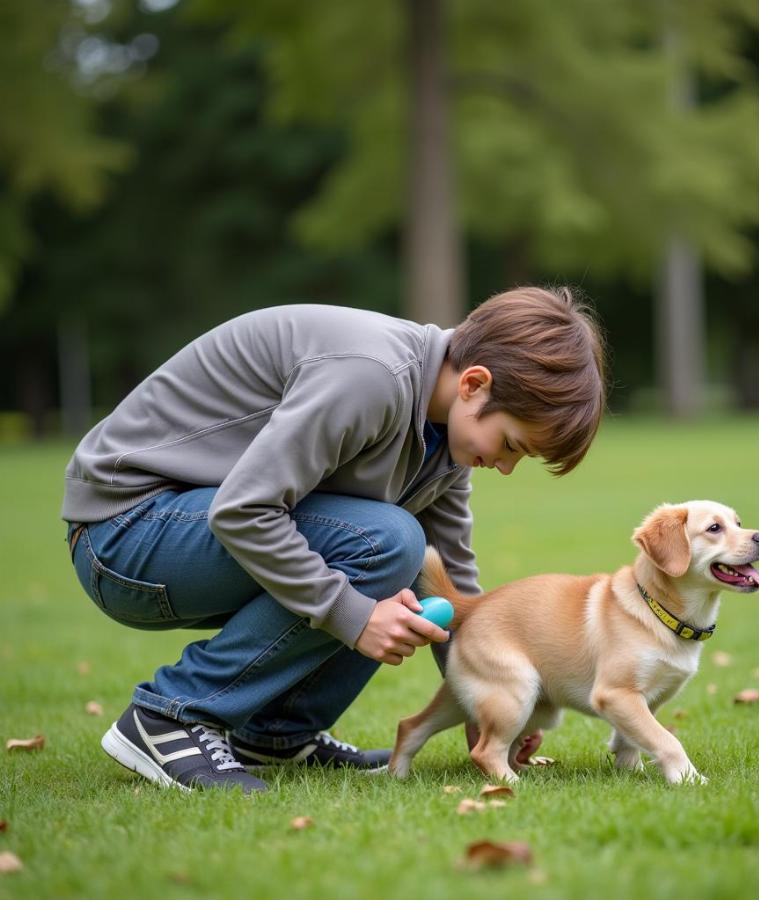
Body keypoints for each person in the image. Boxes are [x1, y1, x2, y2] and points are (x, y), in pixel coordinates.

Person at [62, 286, 606, 793]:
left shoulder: (445, 436)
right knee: (389, 542)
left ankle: (276, 735)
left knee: (410, 565)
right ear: (474, 384)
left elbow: (453, 582)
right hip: (124, 531)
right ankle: (170, 715)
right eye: (511, 444)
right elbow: (244, 510)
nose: (507, 467)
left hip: (184, 530)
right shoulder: (370, 377)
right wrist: (355, 614)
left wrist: (483, 703)